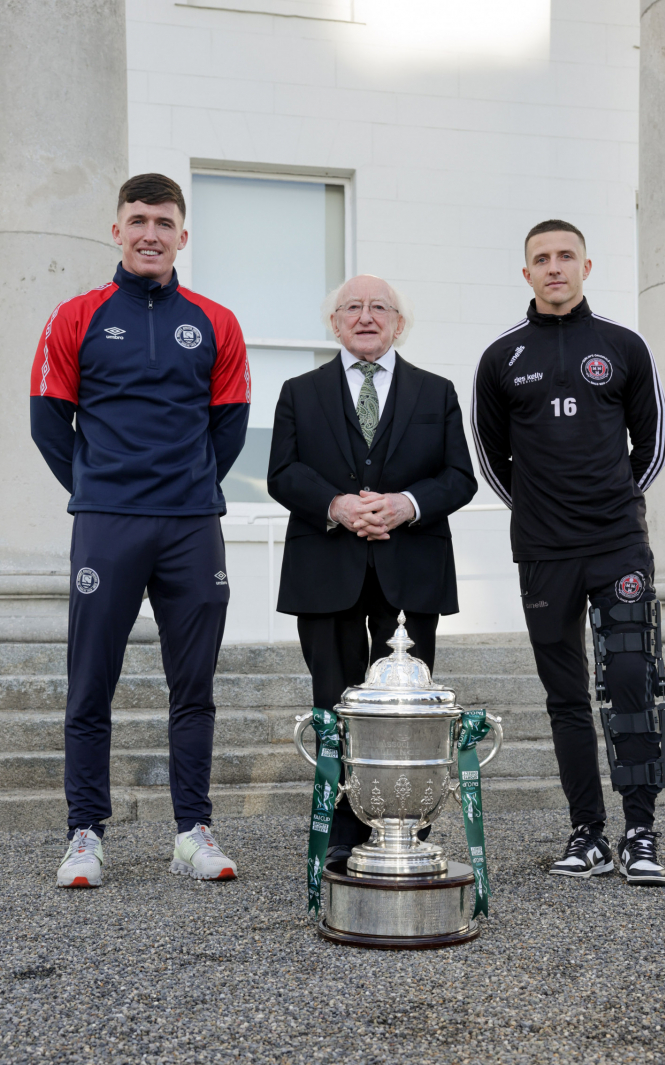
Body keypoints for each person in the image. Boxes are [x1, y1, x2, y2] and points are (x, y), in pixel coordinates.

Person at [30, 173, 250, 887]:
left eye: (163, 221)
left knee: (194, 686)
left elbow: (230, 426)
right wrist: (101, 490)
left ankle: (193, 830)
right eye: (137, 220)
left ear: (182, 235)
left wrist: (181, 488)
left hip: (192, 526)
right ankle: (85, 834)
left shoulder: (216, 321)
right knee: (90, 682)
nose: (150, 232)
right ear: (116, 231)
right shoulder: (77, 315)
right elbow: (46, 421)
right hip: (107, 525)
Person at [472, 219, 665, 886]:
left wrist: (613, 506)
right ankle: (586, 832)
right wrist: (539, 514)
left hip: (617, 547)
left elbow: (654, 447)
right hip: (544, 555)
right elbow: (491, 459)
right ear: (525, 273)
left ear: (587, 266)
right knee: (566, 698)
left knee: (631, 683)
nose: (554, 267)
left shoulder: (623, 347)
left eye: (565, 257)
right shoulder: (502, 358)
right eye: (540, 259)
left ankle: (640, 831)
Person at [268, 275, 477, 861]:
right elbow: (283, 472)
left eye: (378, 307)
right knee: (334, 700)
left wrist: (406, 504)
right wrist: (337, 505)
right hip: (325, 565)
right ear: (334, 323)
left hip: (410, 568)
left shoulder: (436, 392)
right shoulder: (298, 391)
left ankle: (406, 821)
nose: (365, 316)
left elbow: (460, 477)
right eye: (351, 307)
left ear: (399, 323)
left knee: (406, 706)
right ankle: (341, 831)